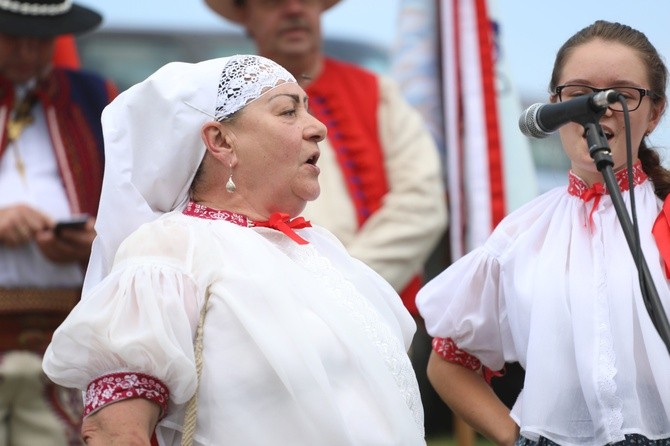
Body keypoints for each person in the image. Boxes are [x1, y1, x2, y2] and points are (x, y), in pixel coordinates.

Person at [42, 54, 426, 445]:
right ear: (221, 141)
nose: (318, 128)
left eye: (307, 109)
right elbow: (114, 431)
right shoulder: (172, 249)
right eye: (288, 112)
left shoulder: (317, 247)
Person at [417, 20, 670, 446]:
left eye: (621, 96)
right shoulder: (521, 234)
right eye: (579, 94)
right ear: (554, 106)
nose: (599, 108)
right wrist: (515, 438)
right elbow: (448, 361)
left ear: (654, 113)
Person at [203, 0, 447, 320]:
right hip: (262, 312)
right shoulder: (216, 104)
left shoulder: (375, 91)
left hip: (375, 313)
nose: (293, 9)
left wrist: (339, 285)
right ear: (246, 16)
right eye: (272, 2)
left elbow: (422, 203)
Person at [0, 1, 117, 444]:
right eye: (13, 36)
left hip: (65, 341)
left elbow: (134, 207)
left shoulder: (94, 98)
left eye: (41, 39)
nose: (28, 52)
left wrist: (95, 240)